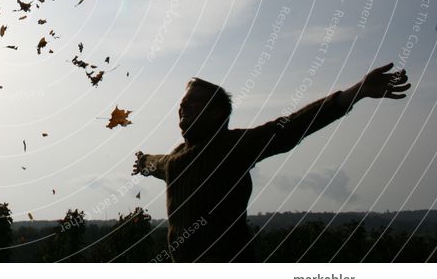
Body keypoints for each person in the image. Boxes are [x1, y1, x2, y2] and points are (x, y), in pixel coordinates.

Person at [133, 63, 410, 262]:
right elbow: (160, 163)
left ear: (217, 113)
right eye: (182, 104)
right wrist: (144, 162)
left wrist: (357, 91)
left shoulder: (232, 147)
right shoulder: (178, 156)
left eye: (192, 102)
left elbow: (290, 128)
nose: (183, 108)